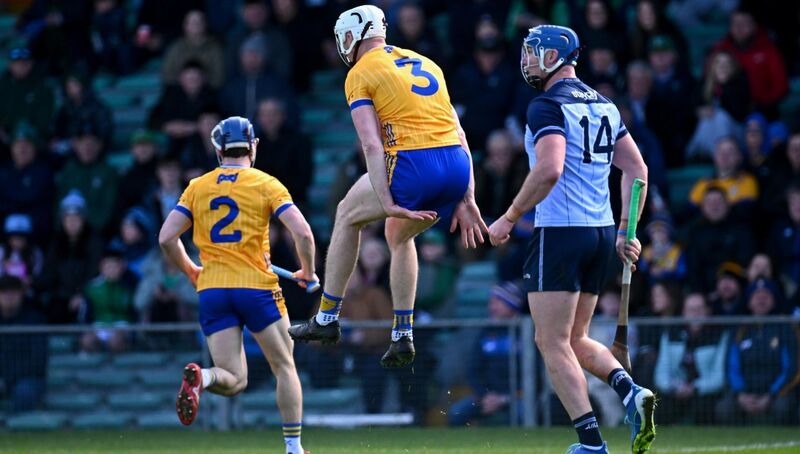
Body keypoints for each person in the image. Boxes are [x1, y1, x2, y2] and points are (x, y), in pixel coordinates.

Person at [287, 5, 487, 369]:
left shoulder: (361, 72)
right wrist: (468, 194)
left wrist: (387, 199)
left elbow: (371, 145)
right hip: (456, 166)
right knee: (399, 237)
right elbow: (459, 132)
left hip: (414, 164)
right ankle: (402, 333)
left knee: (347, 215)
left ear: (352, 35)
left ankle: (327, 318)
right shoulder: (425, 62)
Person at [487, 25, 654, 453]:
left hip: (560, 233)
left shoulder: (546, 105)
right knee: (575, 339)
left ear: (555, 56)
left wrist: (509, 217)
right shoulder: (605, 105)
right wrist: (626, 230)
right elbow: (637, 171)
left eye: (533, 52)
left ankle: (591, 444)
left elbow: (549, 169)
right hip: (599, 236)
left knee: (550, 341)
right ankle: (631, 392)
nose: (526, 60)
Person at [158, 116, 314, 454]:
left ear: (218, 150)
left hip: (213, 290)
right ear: (253, 147)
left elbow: (167, 237)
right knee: (284, 366)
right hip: (257, 288)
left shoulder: (197, 186)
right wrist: (308, 270)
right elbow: (301, 231)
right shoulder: (266, 183)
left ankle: (205, 377)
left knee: (233, 379)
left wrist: (190, 270)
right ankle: (293, 448)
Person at [654, 293, 728, 424]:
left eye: (699, 309)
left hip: (704, 393)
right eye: (691, 310)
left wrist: (694, 387)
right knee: (658, 407)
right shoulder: (671, 334)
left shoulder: (720, 336)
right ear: (684, 312)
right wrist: (675, 387)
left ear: (708, 311)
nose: (695, 314)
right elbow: (661, 374)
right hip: (676, 391)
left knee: (703, 408)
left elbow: (719, 377)